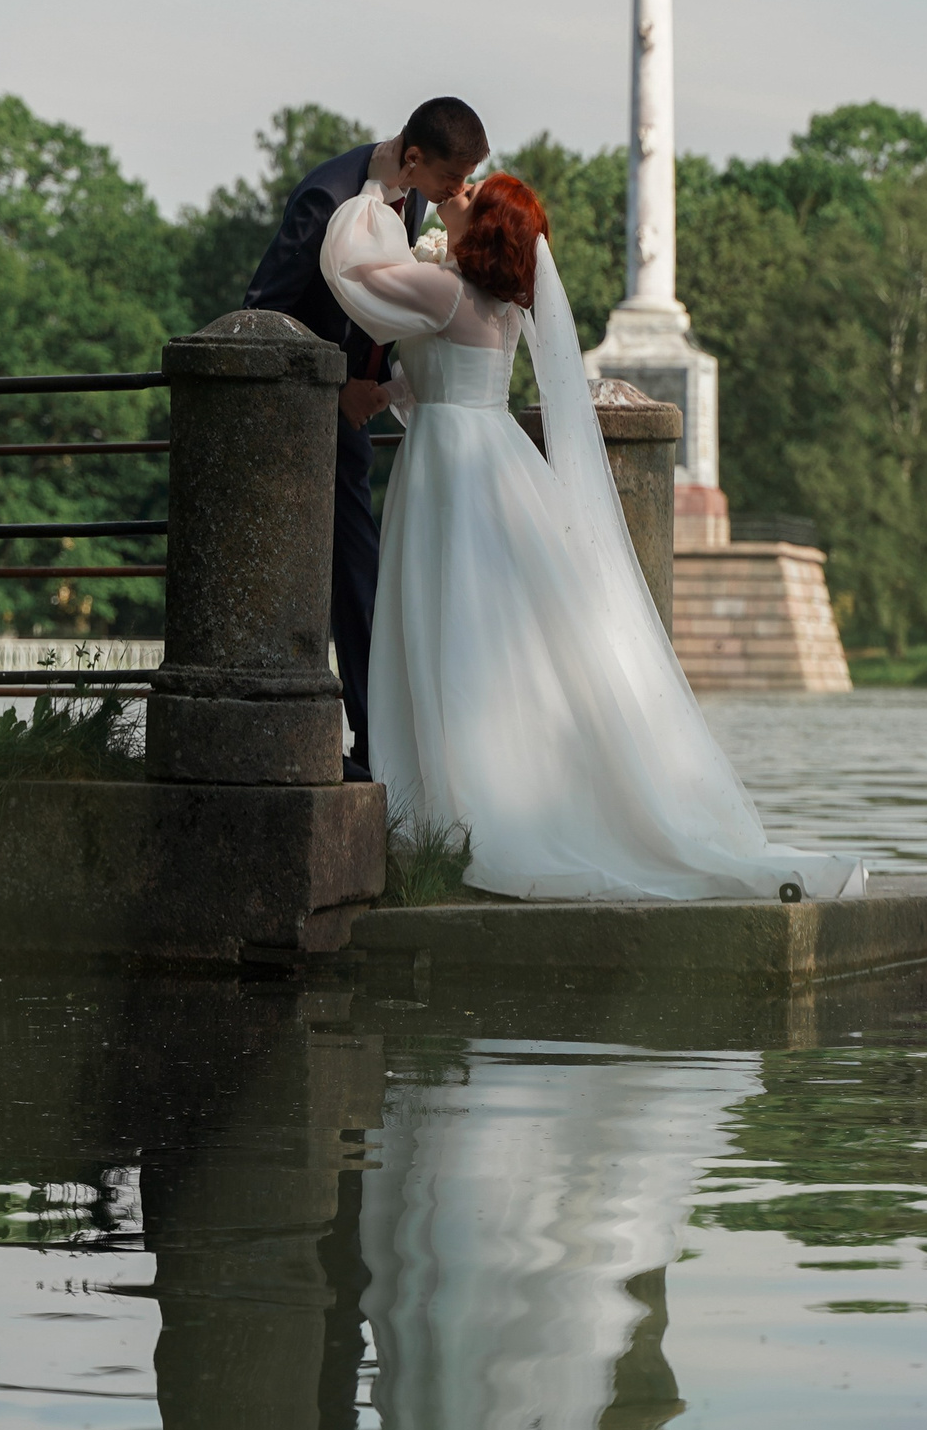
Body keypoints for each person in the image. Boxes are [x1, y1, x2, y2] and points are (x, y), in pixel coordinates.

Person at [321, 171, 865, 901]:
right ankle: (472, 793)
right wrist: (382, 393)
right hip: (483, 460)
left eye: (474, 194)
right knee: (482, 630)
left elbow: (355, 275)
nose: (464, 189)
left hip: (453, 470)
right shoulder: (496, 306)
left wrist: (374, 192)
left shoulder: (445, 290)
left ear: (483, 230)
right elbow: (435, 373)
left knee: (451, 624)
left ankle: (458, 805)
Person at [241, 99, 488, 780]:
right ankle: (375, 745)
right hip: (304, 417)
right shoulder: (327, 196)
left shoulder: (413, 194)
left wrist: (375, 385)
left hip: (358, 416)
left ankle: (379, 743)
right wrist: (335, 387)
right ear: (415, 159)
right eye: (452, 177)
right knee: (354, 572)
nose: (458, 190)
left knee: (362, 573)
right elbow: (262, 312)